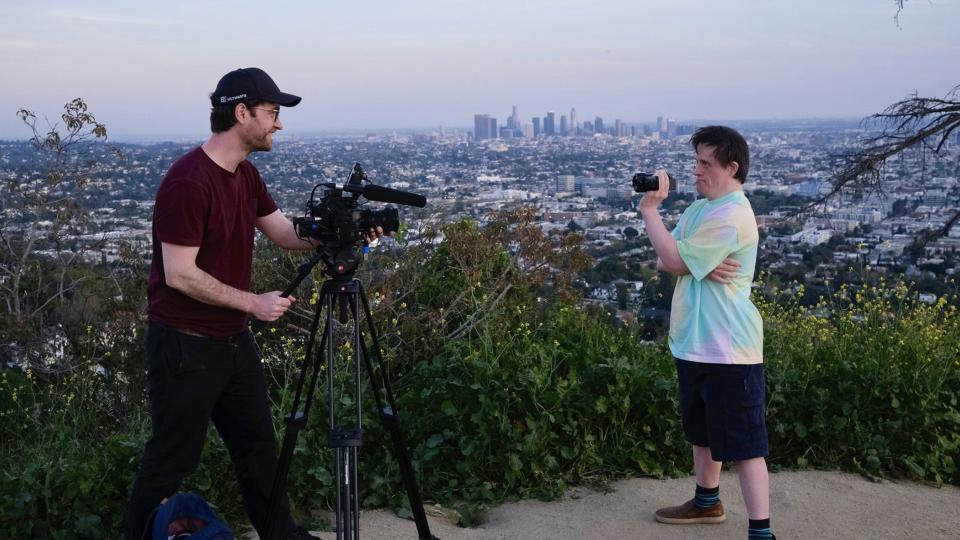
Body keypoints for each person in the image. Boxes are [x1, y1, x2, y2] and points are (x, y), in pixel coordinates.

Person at [123, 67, 382, 540]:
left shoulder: (244, 176)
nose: (278, 124)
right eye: (272, 113)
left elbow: (284, 233)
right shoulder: (189, 181)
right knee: (170, 460)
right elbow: (179, 274)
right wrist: (253, 302)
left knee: (259, 449)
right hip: (184, 345)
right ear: (241, 112)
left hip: (231, 341)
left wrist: (345, 230)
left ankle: (281, 535)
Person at [639, 125, 775, 540]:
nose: (696, 171)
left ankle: (761, 532)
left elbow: (675, 260)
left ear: (732, 167)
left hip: (730, 348)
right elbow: (666, 260)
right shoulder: (699, 210)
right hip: (694, 341)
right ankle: (706, 501)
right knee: (701, 432)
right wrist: (695, 261)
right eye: (695, 161)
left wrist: (650, 211)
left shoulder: (733, 214)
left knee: (746, 444)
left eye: (705, 163)